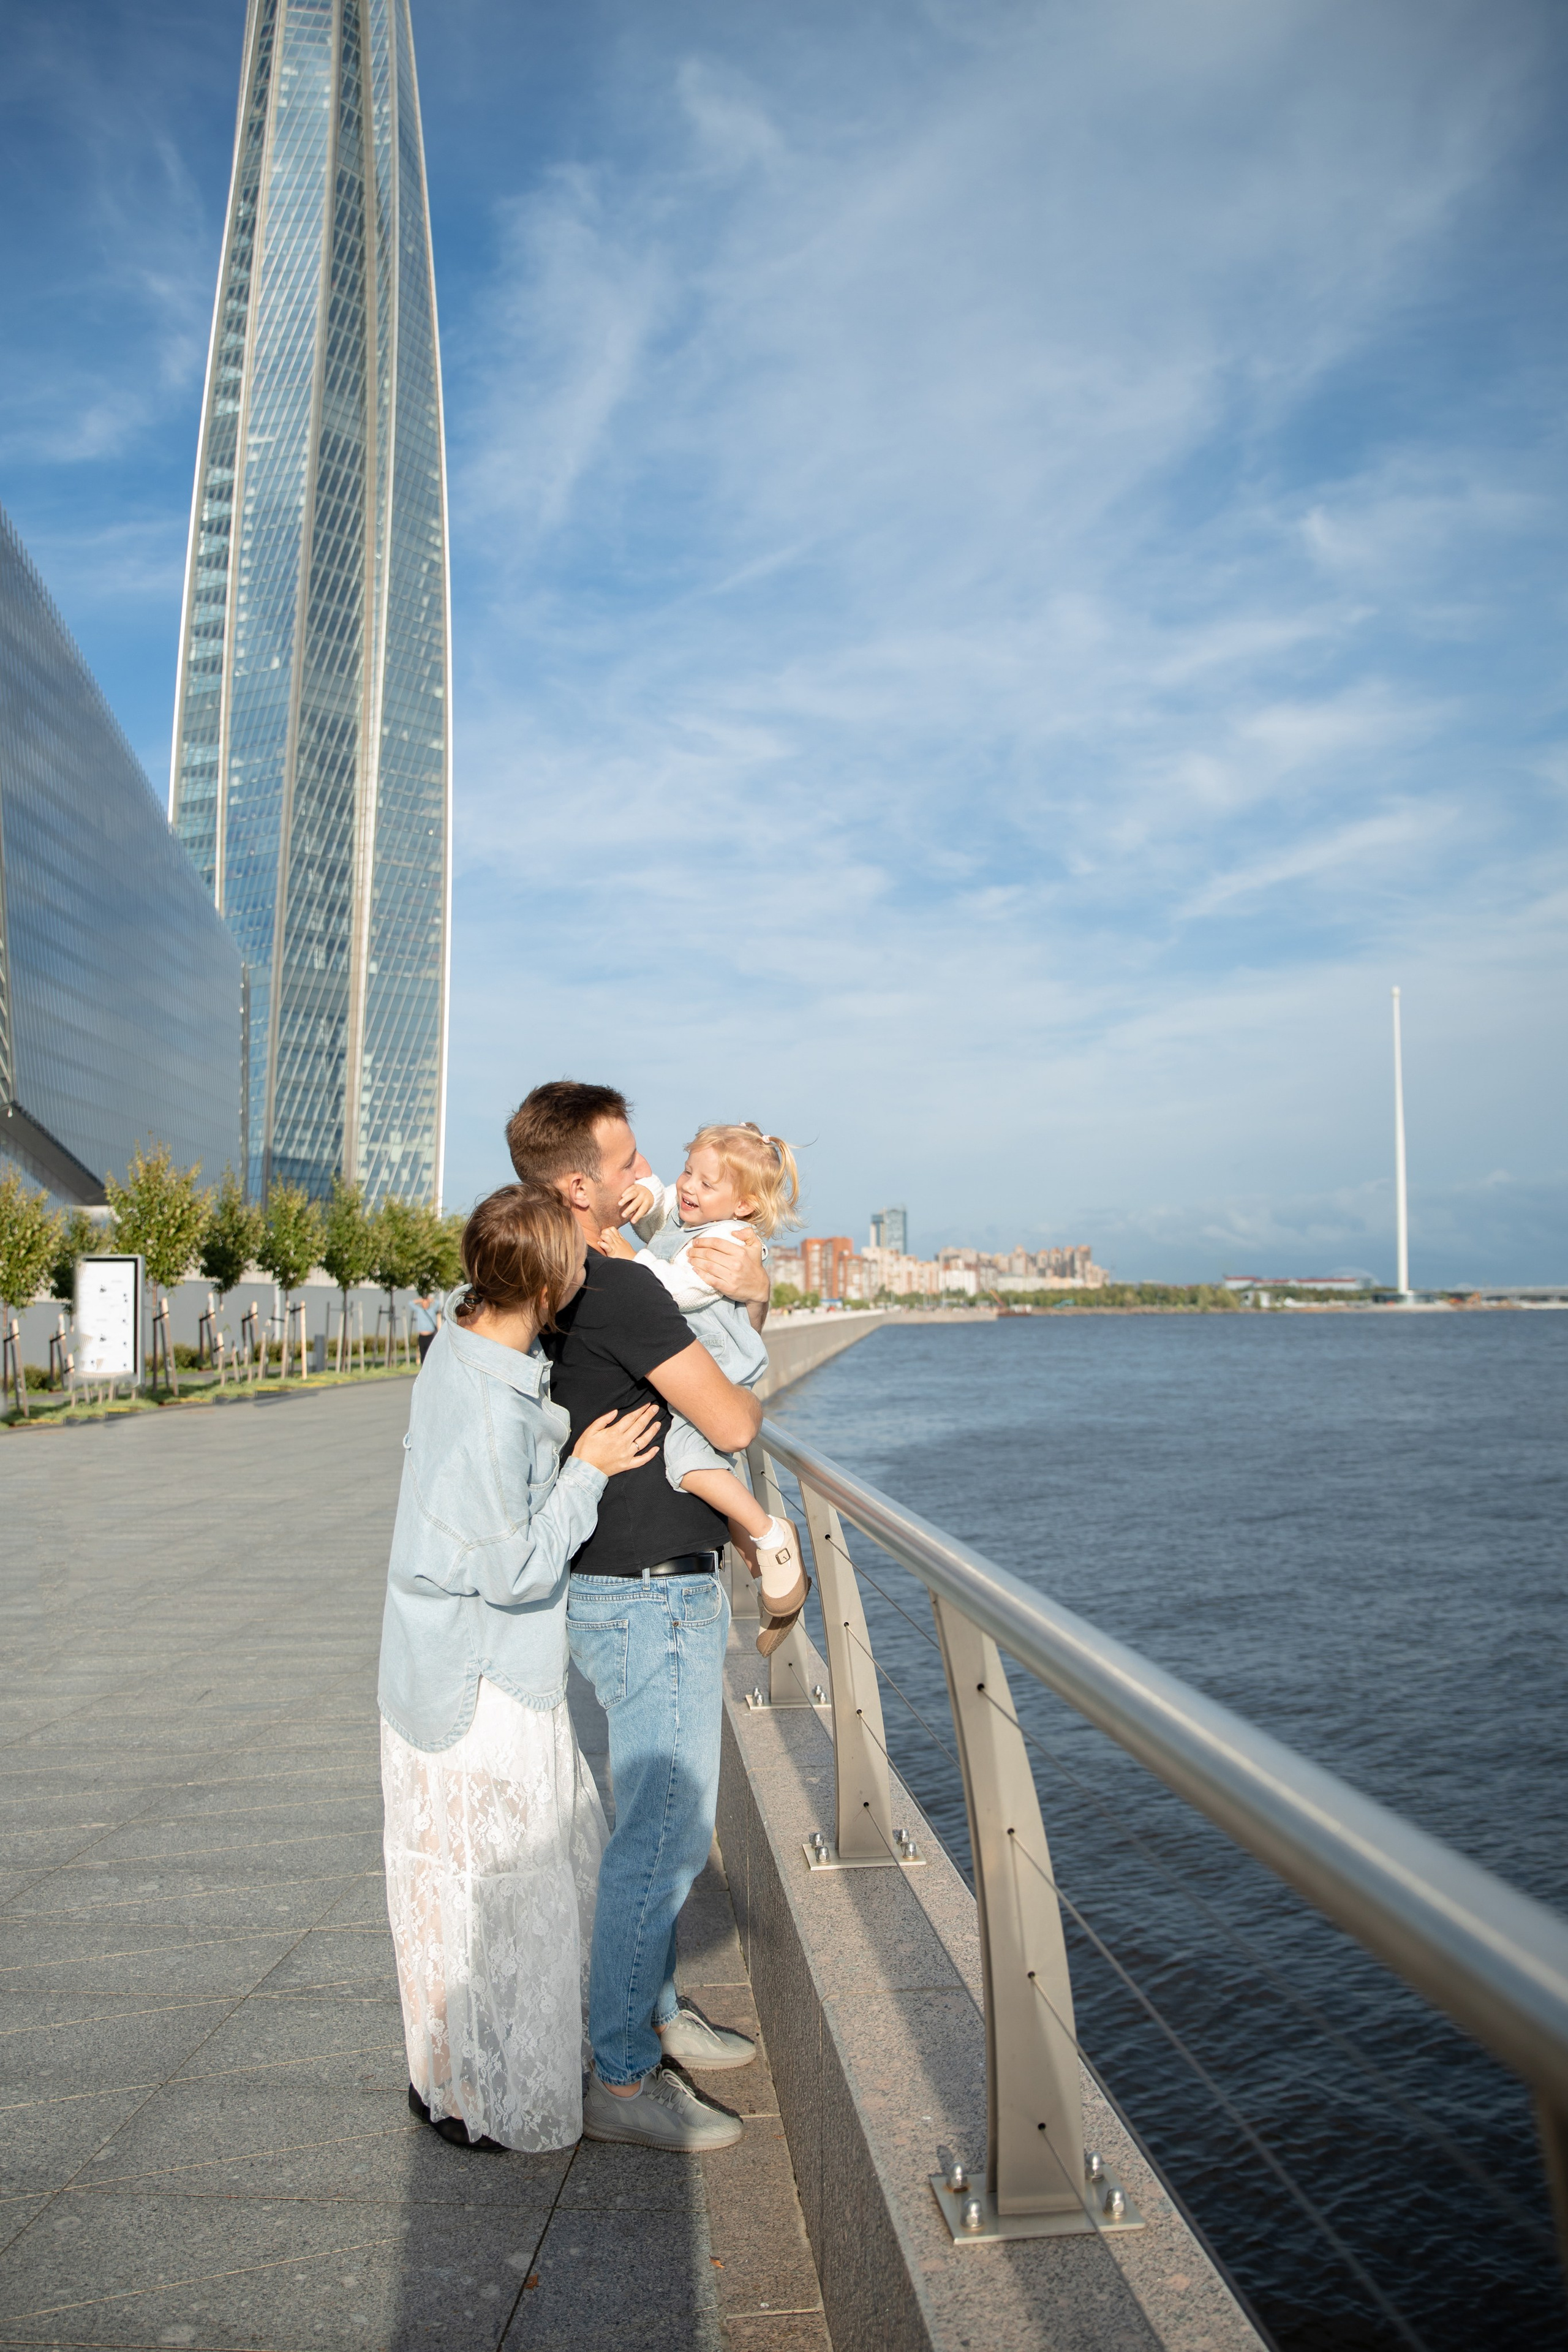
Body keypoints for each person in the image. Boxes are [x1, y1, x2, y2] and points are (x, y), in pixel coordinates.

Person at [506, 1080, 769, 2152]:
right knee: (662, 1838)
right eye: (625, 1162)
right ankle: (621, 2080)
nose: (645, 1174)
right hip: (650, 1592)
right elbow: (737, 1415)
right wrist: (754, 1301)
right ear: (581, 1185)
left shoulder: (563, 1281)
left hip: (611, 1585)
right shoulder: (618, 1288)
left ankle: (655, 2012)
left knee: (645, 1829)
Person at [377, 1182, 658, 2152]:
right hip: (481, 1678)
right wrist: (588, 1471)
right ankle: (491, 2100)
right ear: (542, 1282)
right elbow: (514, 1567)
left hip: (430, 1658)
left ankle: (446, 2077)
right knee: (496, 1883)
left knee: (446, 1878)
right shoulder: (493, 1403)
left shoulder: (463, 1343)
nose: (588, 1269)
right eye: (576, 1260)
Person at [603, 1123, 810, 1656]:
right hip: (693, 1363)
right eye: (688, 1170)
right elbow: (661, 1202)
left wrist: (626, 1263)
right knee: (709, 1464)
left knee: (687, 1459)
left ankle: (770, 1538)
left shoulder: (725, 1241)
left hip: (715, 1364)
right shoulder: (694, 1209)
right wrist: (647, 1192)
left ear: (742, 1206)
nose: (689, 1186)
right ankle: (772, 1575)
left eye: (706, 1182)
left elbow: (669, 1288)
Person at [410, 1289, 440, 1364]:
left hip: (430, 1336)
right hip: (422, 1336)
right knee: (423, 1354)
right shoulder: (419, 1311)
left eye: (426, 1303)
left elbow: (438, 1303)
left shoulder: (432, 1310)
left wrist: (430, 1300)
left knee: (430, 1354)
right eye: (424, 1303)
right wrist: (420, 1300)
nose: (425, 1305)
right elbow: (410, 1303)